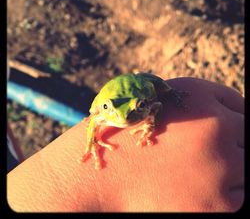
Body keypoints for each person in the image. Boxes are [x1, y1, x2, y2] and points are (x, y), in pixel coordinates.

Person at [7, 77, 244, 212]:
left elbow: (157, 107)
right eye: (111, 113)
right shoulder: (103, 113)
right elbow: (93, 121)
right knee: (94, 114)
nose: (123, 121)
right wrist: (92, 142)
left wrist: (149, 125)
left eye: (133, 112)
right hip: (105, 102)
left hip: (138, 88)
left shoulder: (143, 107)